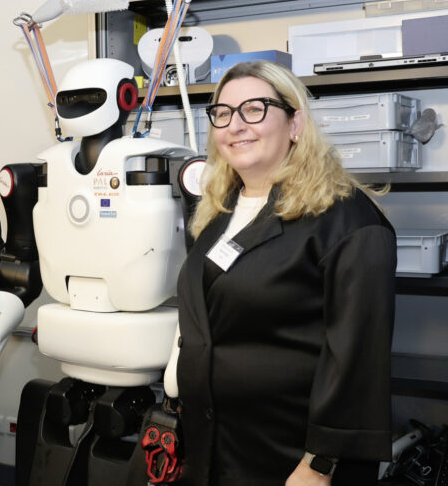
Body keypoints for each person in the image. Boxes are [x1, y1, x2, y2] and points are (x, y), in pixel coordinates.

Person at [168, 60, 396, 485]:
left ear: (295, 124)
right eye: (223, 113)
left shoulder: (348, 221)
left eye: (254, 108)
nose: (235, 125)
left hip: (292, 461)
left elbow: (358, 360)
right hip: (219, 450)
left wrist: (319, 464)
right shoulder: (220, 212)